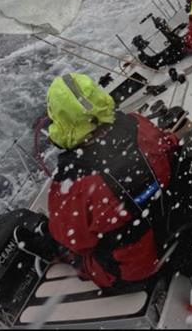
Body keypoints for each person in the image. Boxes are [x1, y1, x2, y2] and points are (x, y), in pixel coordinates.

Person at [45, 72, 177, 288]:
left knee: (58, 244)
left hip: (137, 270)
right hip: (170, 226)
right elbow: (167, 145)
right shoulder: (138, 124)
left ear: (60, 122)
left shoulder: (72, 185)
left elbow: (74, 241)